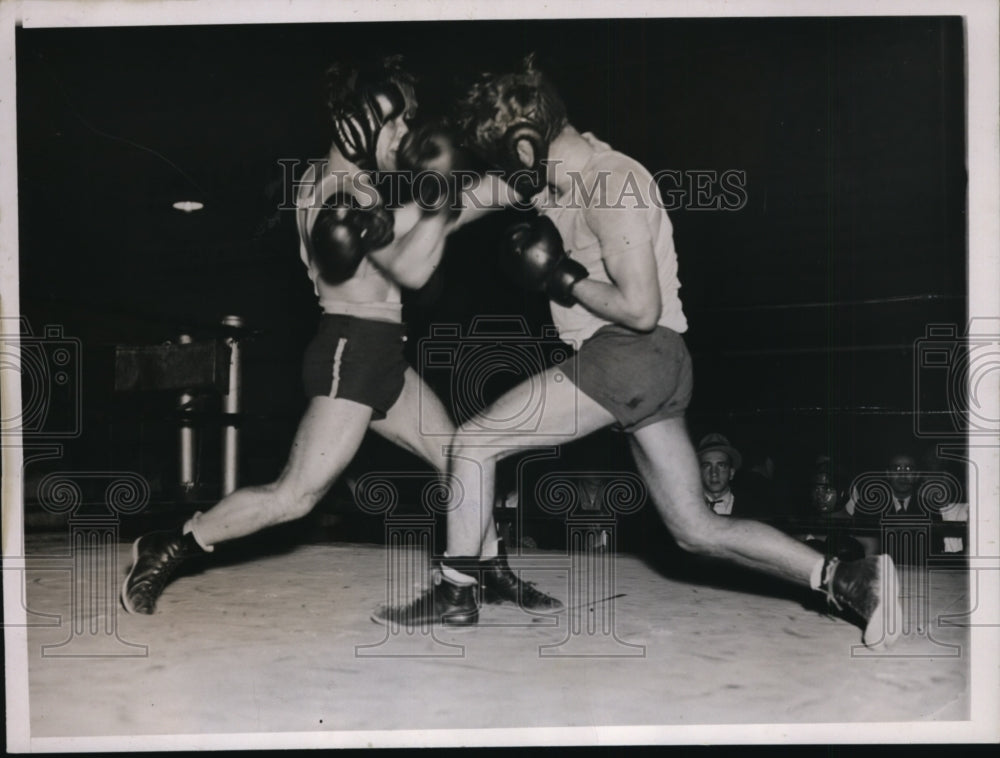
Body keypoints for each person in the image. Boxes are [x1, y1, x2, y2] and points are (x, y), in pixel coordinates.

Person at [372, 55, 902, 649]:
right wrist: (403, 211)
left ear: (523, 145)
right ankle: (848, 578)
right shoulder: (551, 172)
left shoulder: (612, 182)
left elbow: (641, 307)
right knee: (696, 528)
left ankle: (455, 593)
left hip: (630, 349)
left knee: (472, 442)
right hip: (652, 366)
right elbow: (470, 199)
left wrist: (563, 280)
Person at [121, 56, 554, 616]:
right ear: (357, 120)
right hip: (350, 354)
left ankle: (485, 567)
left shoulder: (344, 184)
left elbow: (437, 216)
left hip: (382, 355)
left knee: (459, 457)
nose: (403, 133)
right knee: (295, 496)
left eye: (405, 121)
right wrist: (473, 193)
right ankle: (172, 543)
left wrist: (504, 189)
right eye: (393, 120)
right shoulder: (338, 198)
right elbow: (417, 261)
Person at [696, 433, 745, 517]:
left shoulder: (752, 508)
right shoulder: (685, 507)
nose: (714, 473)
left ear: (731, 473)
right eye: (707, 465)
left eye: (721, 465)